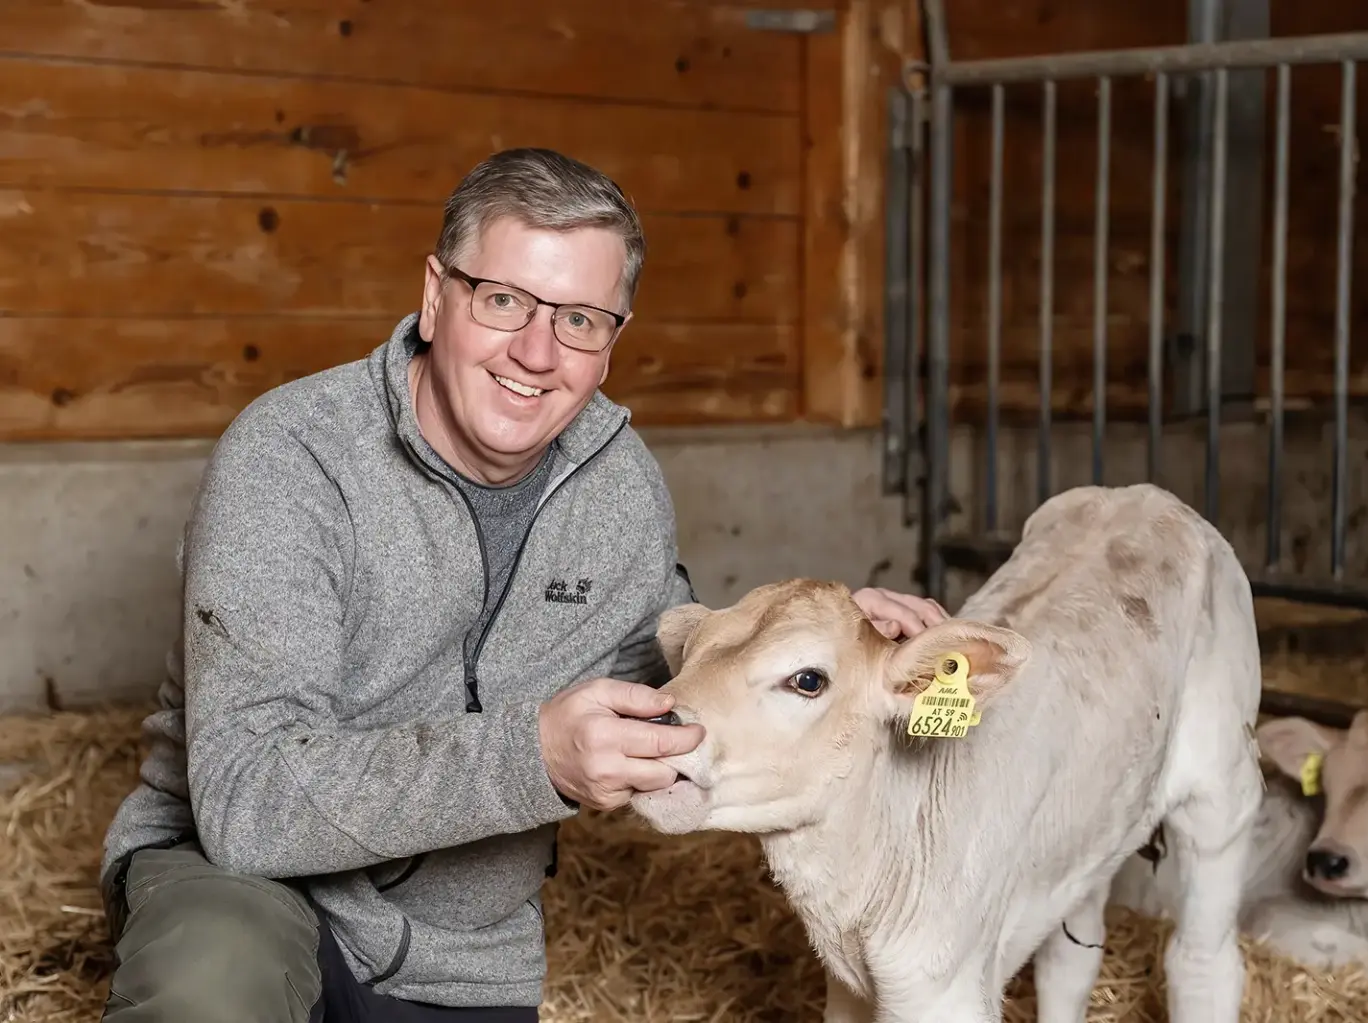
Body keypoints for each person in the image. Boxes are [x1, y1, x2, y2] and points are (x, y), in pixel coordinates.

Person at [95, 146, 948, 1022]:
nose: (538, 352)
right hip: (246, 892)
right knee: (212, 980)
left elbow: (665, 668)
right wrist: (530, 756)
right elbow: (248, 803)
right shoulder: (294, 458)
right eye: (503, 300)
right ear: (436, 297)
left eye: (580, 319)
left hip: (461, 953)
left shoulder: (618, 488)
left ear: (611, 345)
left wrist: (833, 644)